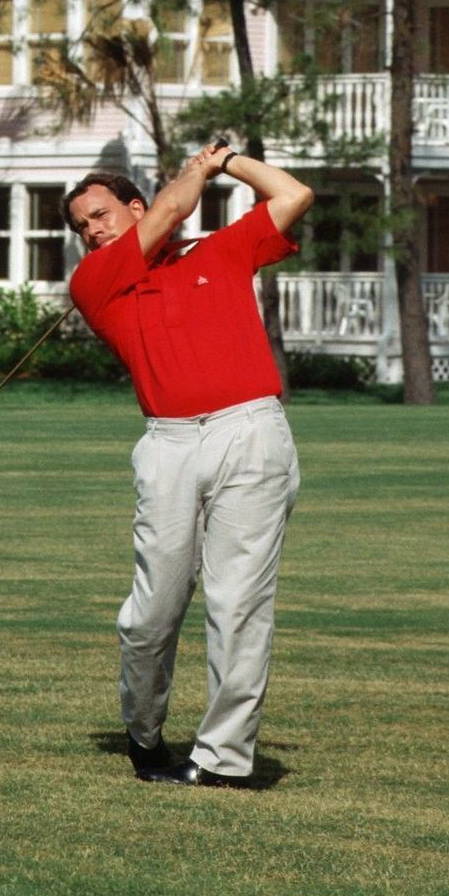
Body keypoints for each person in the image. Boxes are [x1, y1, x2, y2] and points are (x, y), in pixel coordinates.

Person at [63, 143, 314, 789]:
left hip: (250, 432)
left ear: (133, 206)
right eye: (81, 225)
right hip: (169, 444)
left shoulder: (217, 251)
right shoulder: (95, 280)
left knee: (238, 606)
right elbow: (176, 202)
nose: (91, 228)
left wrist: (229, 160)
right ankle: (144, 735)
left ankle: (224, 761)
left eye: (99, 213)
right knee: (153, 612)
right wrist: (197, 169)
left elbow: (293, 196)